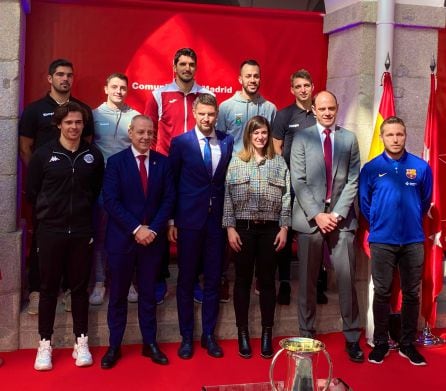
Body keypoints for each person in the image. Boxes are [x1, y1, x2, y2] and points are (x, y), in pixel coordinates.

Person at [26, 102, 104, 371]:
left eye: (78, 123)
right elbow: (32, 191)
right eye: (69, 122)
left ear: (84, 126)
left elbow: (95, 192)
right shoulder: (43, 155)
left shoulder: (93, 155)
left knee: (80, 289)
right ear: (59, 124)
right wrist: (50, 217)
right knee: (48, 290)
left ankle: (80, 342)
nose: (74, 127)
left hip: (81, 232)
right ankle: (44, 345)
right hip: (51, 231)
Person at [290, 90, 363, 363]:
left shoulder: (349, 139)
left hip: (342, 221)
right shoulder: (302, 137)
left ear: (337, 107)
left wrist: (338, 213)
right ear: (314, 109)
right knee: (308, 283)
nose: (328, 112)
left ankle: (352, 338)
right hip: (311, 221)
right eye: (322, 108)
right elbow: (298, 180)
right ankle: (306, 337)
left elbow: (353, 179)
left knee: (346, 281)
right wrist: (318, 214)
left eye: (332, 107)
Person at [19, 58, 94, 315]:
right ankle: (38, 290)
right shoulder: (34, 110)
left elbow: (88, 149)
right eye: (60, 74)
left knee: (76, 246)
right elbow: (26, 147)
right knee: (43, 242)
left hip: (76, 197)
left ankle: (69, 290)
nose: (65, 79)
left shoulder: (82, 110)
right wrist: (43, 178)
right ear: (49, 78)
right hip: (46, 193)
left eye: (70, 75)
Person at [100, 115, 174, 369]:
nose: (145, 137)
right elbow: (110, 201)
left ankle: (150, 343)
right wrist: (136, 228)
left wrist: (152, 229)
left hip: (152, 241)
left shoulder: (162, 164)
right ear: (130, 133)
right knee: (118, 295)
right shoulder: (115, 162)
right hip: (122, 240)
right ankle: (114, 346)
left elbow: (168, 200)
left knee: (148, 296)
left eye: (149, 133)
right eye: (140, 132)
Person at [359, 116, 432, 366]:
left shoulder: (421, 167)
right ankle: (381, 343)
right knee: (382, 292)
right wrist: (381, 222)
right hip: (382, 240)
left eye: (399, 134)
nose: (395, 139)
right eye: (390, 135)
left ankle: (407, 344)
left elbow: (424, 202)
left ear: (405, 135)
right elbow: (365, 204)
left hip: (413, 240)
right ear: (382, 137)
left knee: (412, 293)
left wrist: (409, 220)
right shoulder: (370, 168)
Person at [168, 93, 233, 359]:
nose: (207, 119)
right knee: (185, 280)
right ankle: (186, 337)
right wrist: (172, 220)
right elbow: (171, 183)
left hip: (216, 223)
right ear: (195, 114)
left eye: (211, 114)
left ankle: (208, 335)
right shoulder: (180, 143)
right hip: (188, 222)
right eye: (202, 114)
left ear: (216, 115)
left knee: (214, 280)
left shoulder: (227, 141)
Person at [145, 47, 211, 304]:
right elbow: (148, 131)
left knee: (193, 228)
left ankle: (192, 279)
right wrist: (155, 163)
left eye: (191, 64)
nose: (187, 68)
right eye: (182, 64)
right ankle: (160, 278)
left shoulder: (206, 95)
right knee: (161, 224)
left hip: (195, 170)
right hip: (165, 168)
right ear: (174, 66)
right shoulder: (159, 94)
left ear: (196, 67)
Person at [223, 115, 290, 359]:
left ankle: (266, 333)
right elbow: (227, 197)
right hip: (243, 229)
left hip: (271, 230)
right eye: (255, 133)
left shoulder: (279, 163)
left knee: (267, 282)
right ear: (248, 136)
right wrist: (230, 228)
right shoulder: (236, 162)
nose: (260, 137)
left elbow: (286, 197)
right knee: (241, 281)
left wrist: (284, 227)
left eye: (264, 132)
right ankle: (242, 333)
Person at [217, 59, 277, 301]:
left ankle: (260, 279)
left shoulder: (270, 108)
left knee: (259, 233)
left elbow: (272, 143)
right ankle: (223, 277)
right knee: (229, 229)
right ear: (239, 79)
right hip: (235, 177)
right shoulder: (227, 107)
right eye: (248, 76)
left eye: (256, 76)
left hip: (263, 178)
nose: (253, 80)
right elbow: (219, 141)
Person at [272, 69, 328, 306]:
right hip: (290, 186)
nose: (303, 89)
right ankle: (284, 282)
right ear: (292, 89)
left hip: (315, 187)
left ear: (312, 86)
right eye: (298, 86)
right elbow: (276, 149)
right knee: (286, 233)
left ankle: (317, 284)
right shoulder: (284, 115)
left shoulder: (320, 115)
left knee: (316, 236)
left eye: (306, 85)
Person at [89, 72, 141, 306]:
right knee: (100, 234)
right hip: (100, 184)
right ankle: (100, 282)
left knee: (128, 232)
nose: (119, 91)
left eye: (123, 88)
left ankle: (127, 281)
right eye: (114, 87)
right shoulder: (93, 115)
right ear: (106, 89)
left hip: (127, 183)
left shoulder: (135, 116)